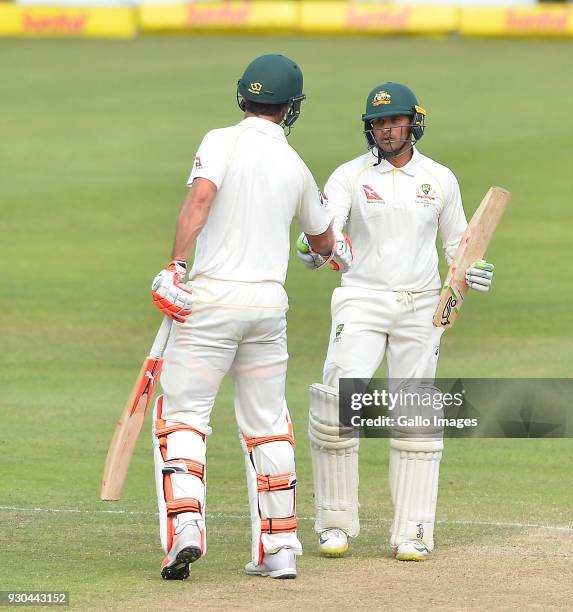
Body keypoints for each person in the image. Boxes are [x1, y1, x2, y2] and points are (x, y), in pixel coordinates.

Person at [149, 54, 353, 581]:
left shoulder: (221, 140)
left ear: (243, 96)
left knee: (184, 416)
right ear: (291, 108)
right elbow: (324, 241)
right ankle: (280, 549)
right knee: (267, 427)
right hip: (268, 309)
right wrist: (337, 249)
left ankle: (186, 529)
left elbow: (200, 199)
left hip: (211, 303)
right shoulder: (297, 166)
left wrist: (175, 266)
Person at [297, 82, 495, 561]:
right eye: (379, 123)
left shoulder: (440, 179)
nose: (386, 131)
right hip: (361, 299)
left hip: (422, 305)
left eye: (395, 121)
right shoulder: (348, 175)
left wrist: (472, 272)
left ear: (414, 123)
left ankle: (414, 531)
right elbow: (325, 232)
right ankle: (335, 524)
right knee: (339, 402)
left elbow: (457, 246)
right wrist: (313, 252)